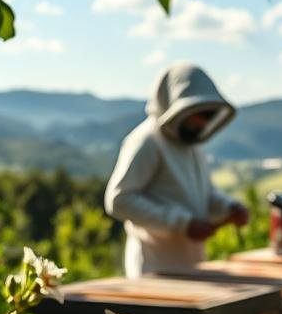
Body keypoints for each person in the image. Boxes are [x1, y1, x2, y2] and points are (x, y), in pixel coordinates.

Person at [104, 63, 250, 278]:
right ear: (177, 107)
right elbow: (119, 200)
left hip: (191, 266)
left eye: (210, 115)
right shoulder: (146, 141)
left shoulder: (192, 144)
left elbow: (203, 195)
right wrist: (182, 223)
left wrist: (228, 207)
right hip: (153, 270)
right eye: (202, 114)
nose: (204, 122)